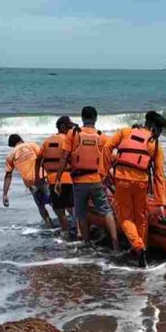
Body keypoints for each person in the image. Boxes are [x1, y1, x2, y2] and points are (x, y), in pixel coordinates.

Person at [104, 111, 166, 268]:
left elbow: (107, 147)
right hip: (141, 183)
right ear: (156, 128)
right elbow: (159, 175)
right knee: (141, 216)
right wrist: (160, 201)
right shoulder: (156, 145)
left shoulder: (126, 132)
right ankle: (142, 248)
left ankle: (139, 246)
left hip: (122, 181)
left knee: (125, 217)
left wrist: (103, 172)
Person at [54, 106, 120, 251]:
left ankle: (87, 243)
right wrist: (104, 174)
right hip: (97, 180)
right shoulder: (102, 136)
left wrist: (58, 178)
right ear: (96, 119)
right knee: (106, 210)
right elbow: (113, 158)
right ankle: (115, 243)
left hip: (79, 182)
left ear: (82, 118)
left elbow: (64, 156)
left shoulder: (73, 133)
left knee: (81, 213)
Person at [35, 116, 75, 238]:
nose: (70, 130)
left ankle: (66, 232)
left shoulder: (47, 141)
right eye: (69, 127)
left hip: (52, 180)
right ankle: (79, 232)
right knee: (72, 207)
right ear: (63, 127)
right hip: (68, 178)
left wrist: (37, 177)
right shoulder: (68, 141)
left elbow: (38, 160)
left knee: (59, 209)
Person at [3, 134, 52, 226]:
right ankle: (66, 226)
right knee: (53, 203)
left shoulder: (11, 154)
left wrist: (5, 194)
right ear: (21, 139)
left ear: (12, 145)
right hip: (42, 178)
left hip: (31, 184)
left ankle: (49, 225)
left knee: (41, 206)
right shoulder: (32, 145)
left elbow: (8, 176)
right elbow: (43, 159)